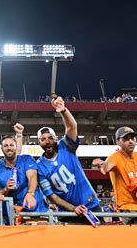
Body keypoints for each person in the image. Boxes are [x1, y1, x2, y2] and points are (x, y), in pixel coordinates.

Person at [36, 96, 101, 224]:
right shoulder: (39, 167)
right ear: (38, 143)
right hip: (68, 212)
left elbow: (72, 127)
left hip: (90, 204)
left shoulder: (65, 146)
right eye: (43, 139)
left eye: (50, 138)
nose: (47, 141)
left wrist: (64, 111)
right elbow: (51, 195)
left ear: (56, 139)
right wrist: (73, 208)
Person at [92, 126, 137, 225]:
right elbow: (106, 167)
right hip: (127, 208)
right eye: (126, 139)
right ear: (118, 142)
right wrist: (100, 164)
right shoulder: (115, 157)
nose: (131, 141)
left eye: (132, 138)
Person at [0, 135, 49, 224]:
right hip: (16, 216)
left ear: (16, 147)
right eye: (6, 146)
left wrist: (30, 193)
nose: (9, 148)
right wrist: (6, 189)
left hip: (38, 211)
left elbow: (32, 176)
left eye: (11, 145)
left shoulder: (26, 159)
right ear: (2, 149)